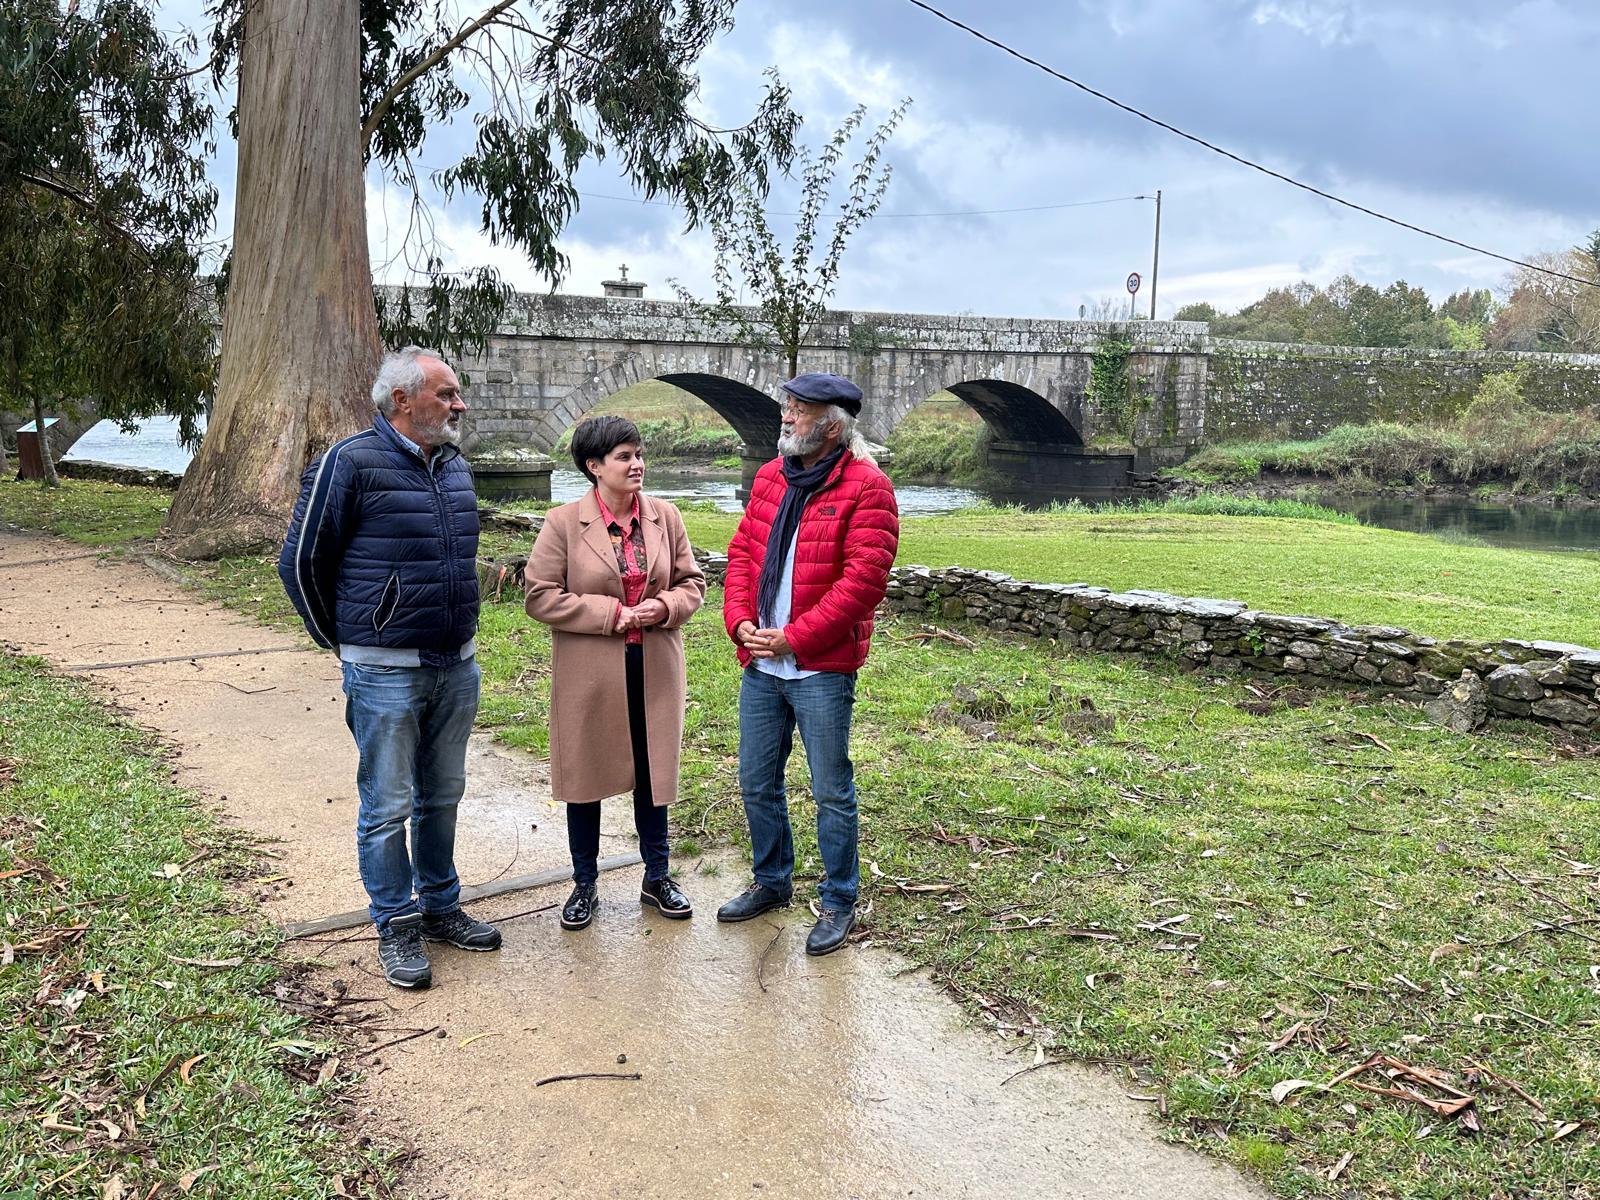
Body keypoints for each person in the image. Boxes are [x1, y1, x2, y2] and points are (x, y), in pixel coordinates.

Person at [278, 346, 500, 990]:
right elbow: (300, 563)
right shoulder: (348, 463)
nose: (459, 405)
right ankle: (395, 923)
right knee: (387, 804)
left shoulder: (455, 467)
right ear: (402, 400)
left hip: (455, 664)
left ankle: (440, 906)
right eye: (446, 394)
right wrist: (343, 642)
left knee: (444, 796)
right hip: (384, 671)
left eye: (457, 394)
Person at [716, 373, 899, 956]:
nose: (787, 417)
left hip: (819, 665)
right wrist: (740, 618)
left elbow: (862, 583)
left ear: (832, 423)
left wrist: (794, 639)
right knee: (756, 780)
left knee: (830, 788)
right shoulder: (771, 476)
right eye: (788, 406)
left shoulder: (869, 488)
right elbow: (745, 551)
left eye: (800, 409)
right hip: (762, 663)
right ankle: (772, 881)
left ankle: (839, 898)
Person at [524, 415, 706, 930]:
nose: (637, 464)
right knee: (585, 774)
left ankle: (657, 876)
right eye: (624, 456)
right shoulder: (563, 523)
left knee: (653, 774)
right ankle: (584, 884)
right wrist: (611, 614)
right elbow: (540, 595)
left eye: (639, 454)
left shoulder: (666, 518)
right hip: (590, 671)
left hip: (654, 667)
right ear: (594, 466)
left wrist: (664, 606)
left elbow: (693, 583)